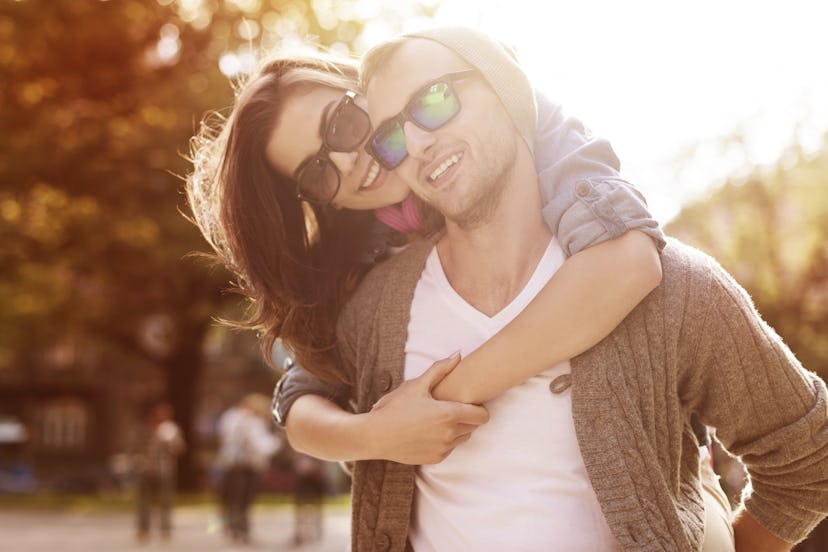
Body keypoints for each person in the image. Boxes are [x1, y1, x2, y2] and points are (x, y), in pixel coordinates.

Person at [276, 26, 828, 551]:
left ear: (504, 86)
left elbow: (808, 461)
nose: (416, 142)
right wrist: (374, 435)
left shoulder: (672, 287)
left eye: (435, 100)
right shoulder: (370, 308)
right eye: (391, 135)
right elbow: (305, 400)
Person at [188, 49, 666, 461]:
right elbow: (300, 401)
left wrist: (447, 396)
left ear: (366, 87)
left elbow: (628, 261)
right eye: (315, 173)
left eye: (340, 123)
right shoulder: (354, 257)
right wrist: (377, 435)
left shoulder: (507, 121)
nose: (346, 161)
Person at [215, 393, 281, 545]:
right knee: (244, 501)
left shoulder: (229, 417)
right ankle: (242, 531)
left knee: (231, 498)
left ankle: (232, 529)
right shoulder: (253, 422)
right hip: (247, 467)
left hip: (230, 464)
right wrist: (277, 442)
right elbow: (262, 446)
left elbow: (223, 438)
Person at [135, 401, 185, 543]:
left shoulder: (171, 428)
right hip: (147, 469)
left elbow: (179, 449)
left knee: (166, 501)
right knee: (145, 502)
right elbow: (138, 446)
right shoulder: (146, 428)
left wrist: (170, 441)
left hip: (165, 469)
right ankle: (143, 529)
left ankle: (166, 529)